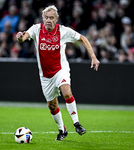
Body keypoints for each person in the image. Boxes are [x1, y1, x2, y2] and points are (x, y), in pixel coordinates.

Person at [16, 5, 100, 141]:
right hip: (45, 76)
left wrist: (94, 57)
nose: (48, 20)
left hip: (60, 70)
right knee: (52, 105)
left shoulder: (63, 31)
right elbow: (23, 37)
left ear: (56, 19)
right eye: (46, 17)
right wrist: (20, 37)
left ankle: (77, 123)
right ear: (43, 18)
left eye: (51, 18)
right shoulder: (36, 29)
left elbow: (83, 38)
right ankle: (62, 130)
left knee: (66, 92)